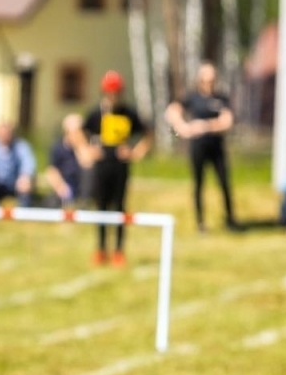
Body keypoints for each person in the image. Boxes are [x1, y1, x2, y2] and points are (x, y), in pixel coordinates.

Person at [82, 71, 149, 265]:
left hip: (120, 167)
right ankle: (101, 249)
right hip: (102, 166)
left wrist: (135, 152)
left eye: (117, 92)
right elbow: (80, 132)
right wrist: (88, 150)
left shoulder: (129, 113)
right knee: (101, 207)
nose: (113, 96)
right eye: (110, 92)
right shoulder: (97, 113)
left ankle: (119, 251)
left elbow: (147, 134)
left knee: (119, 208)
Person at [166, 61, 238, 233]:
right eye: (206, 79)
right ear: (200, 80)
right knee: (198, 184)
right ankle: (200, 223)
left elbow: (227, 122)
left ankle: (230, 220)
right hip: (198, 147)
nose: (209, 82)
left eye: (212, 79)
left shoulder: (221, 98)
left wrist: (204, 126)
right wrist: (183, 128)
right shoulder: (193, 98)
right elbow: (171, 112)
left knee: (224, 183)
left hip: (217, 147)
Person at [44, 113, 95, 209]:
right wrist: (60, 187)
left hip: (82, 187)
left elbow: (88, 164)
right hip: (65, 185)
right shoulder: (57, 147)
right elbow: (51, 170)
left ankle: (84, 203)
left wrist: (79, 146)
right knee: (51, 203)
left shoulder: (86, 145)